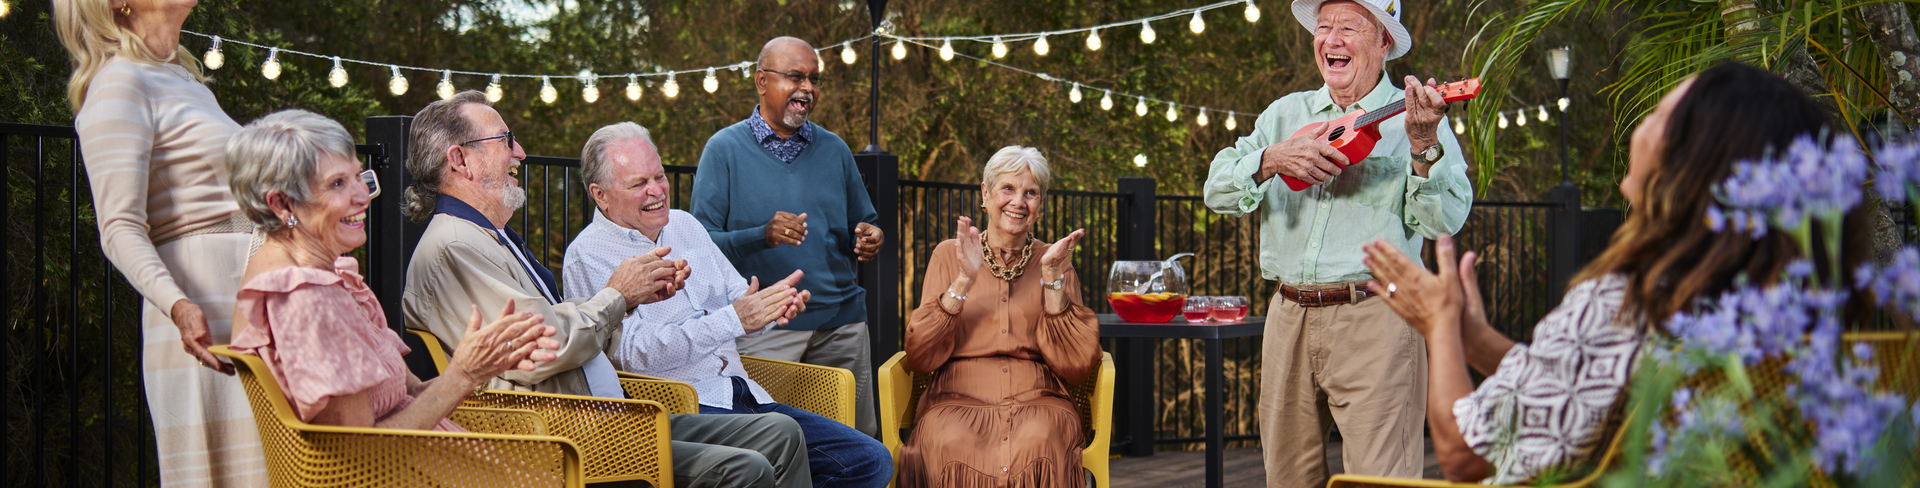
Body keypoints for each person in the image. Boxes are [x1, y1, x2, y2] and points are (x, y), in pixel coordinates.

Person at [1360, 62, 1836, 483]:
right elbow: (1580, 384)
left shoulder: (1627, 300)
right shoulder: (1775, 311)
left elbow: (1465, 454)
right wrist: (1473, 336)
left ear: (1693, 162)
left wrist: (1441, 327)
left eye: (1659, 116)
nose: (1641, 126)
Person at [402, 92, 814, 488]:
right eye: (505, 140)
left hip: (611, 413)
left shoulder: (487, 236)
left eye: (658, 177)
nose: (520, 152)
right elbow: (541, 346)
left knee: (781, 432)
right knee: (747, 469)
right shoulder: (455, 245)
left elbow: (552, 322)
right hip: (569, 433)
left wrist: (631, 300)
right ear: (460, 160)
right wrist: (617, 296)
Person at [1201, 0, 1474, 484]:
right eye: (1324, 26)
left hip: (1377, 320)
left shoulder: (1416, 119)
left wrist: (1423, 149)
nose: (1332, 39)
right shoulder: (1284, 115)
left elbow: (1443, 221)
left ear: (1384, 43)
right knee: (1287, 478)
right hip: (1287, 317)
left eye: (1349, 27)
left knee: (1381, 479)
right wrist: (1271, 159)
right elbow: (1217, 189)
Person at [563, 122, 893, 488]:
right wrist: (734, 319)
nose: (656, 191)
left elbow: (738, 300)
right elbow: (628, 355)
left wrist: (770, 309)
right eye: (639, 184)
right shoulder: (587, 255)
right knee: (774, 448)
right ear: (601, 194)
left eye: (659, 176)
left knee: (870, 460)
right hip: (680, 408)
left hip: (743, 392)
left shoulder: (685, 225)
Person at [223, 109, 558, 434]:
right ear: (282, 204)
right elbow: (357, 452)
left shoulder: (324, 276)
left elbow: (406, 397)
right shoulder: (305, 296)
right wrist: (463, 375)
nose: (362, 196)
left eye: (359, 176)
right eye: (338, 183)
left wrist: (482, 365)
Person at [56, 0, 267, 483]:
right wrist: (177, 305)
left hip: (249, 295)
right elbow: (118, 228)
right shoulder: (119, 83)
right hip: (203, 306)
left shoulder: (186, 80)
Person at [692, 36, 886, 437]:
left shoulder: (835, 149)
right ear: (762, 81)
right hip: (766, 326)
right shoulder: (723, 150)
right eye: (796, 76)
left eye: (814, 79)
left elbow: (865, 221)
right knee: (772, 438)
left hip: (842, 323)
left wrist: (871, 236)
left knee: (855, 442)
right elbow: (702, 243)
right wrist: (761, 235)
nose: (808, 88)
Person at [900, 146, 1100, 487]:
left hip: (1039, 401)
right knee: (949, 441)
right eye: (1008, 188)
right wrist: (964, 278)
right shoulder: (950, 255)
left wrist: (1052, 278)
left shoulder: (1055, 259)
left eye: (1031, 193)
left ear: (1041, 203)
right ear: (985, 192)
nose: (1018, 202)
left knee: (1042, 438)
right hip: (955, 400)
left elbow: (1078, 366)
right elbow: (919, 356)